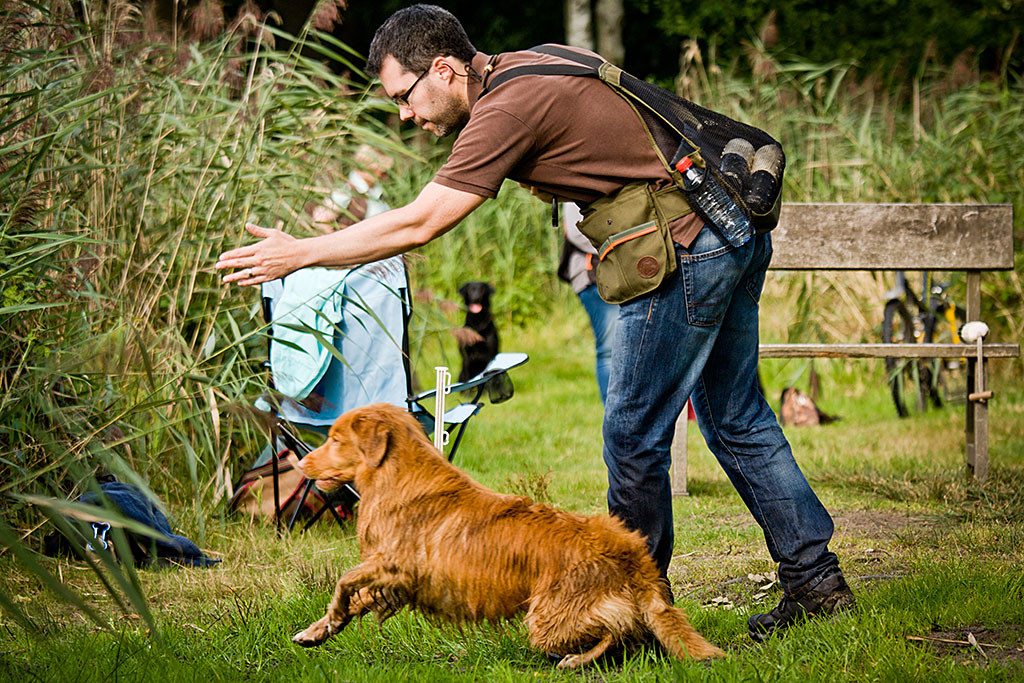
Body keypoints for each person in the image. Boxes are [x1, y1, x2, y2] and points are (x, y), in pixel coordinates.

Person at [216, 4, 853, 642]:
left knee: (634, 435)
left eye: (405, 97)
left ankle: (627, 609)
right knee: (736, 417)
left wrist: (299, 253)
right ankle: (815, 582)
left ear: (444, 69)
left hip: (686, 244)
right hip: (725, 227)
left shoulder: (506, 110)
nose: (404, 115)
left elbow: (421, 221)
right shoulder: (524, 68)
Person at [557, 202, 617, 403]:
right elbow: (575, 232)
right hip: (591, 274)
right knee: (610, 349)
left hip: (618, 273)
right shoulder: (574, 176)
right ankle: (615, 418)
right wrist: (623, 245)